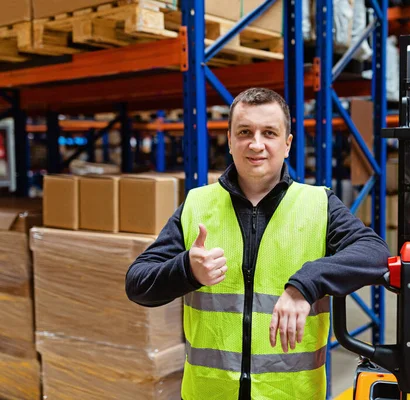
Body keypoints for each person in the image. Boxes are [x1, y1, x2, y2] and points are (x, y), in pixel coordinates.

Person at [125, 87, 390, 400]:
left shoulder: (318, 204)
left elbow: (376, 253)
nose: (256, 144)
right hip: (209, 393)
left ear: (287, 144)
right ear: (230, 140)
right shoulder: (197, 205)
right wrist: (186, 269)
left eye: (270, 133)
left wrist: (306, 284)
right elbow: (137, 283)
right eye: (245, 132)